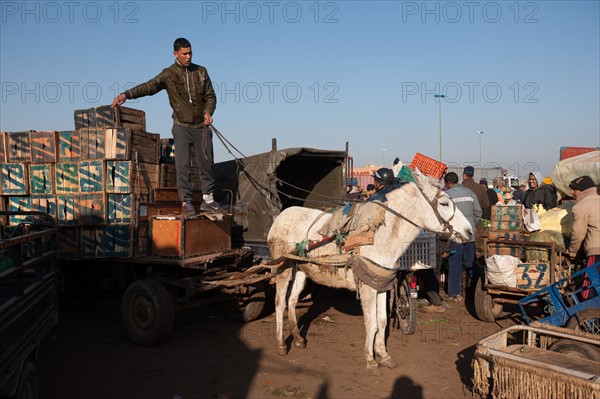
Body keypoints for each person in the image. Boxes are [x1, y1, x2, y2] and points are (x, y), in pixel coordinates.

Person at [111, 37, 223, 215]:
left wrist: (208, 111)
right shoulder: (168, 74)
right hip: (181, 127)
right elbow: (149, 86)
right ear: (175, 54)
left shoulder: (201, 71)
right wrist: (126, 94)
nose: (188, 57)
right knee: (183, 166)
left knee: (207, 163)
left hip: (201, 127)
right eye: (184, 54)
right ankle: (186, 202)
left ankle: (208, 200)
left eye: (190, 53)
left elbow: (211, 96)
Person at [443, 172, 482, 301]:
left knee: (455, 263)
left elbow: (443, 216)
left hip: (456, 235)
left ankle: (455, 293)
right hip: (470, 234)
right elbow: (478, 212)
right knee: (471, 262)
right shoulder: (470, 193)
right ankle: (475, 291)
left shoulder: (447, 195)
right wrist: (472, 225)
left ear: (447, 183)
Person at [568, 176, 600, 266]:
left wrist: (572, 253)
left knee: (594, 279)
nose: (571, 192)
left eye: (574, 189)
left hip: (596, 253)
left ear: (583, 190)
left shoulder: (582, 206)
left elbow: (578, 233)